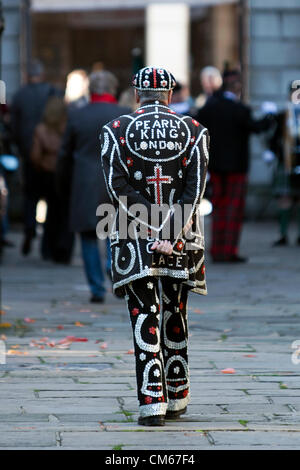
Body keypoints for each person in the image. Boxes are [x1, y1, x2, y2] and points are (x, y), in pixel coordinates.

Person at [100, 66, 209, 426]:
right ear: (171, 94)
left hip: (134, 236)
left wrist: (151, 226)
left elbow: (117, 188)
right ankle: (178, 397)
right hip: (182, 236)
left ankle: (153, 405)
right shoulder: (195, 132)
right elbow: (195, 190)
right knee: (176, 312)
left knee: (143, 314)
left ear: (136, 94)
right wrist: (171, 228)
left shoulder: (115, 130)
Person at [57, 71, 130, 302]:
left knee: (89, 237)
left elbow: (65, 154)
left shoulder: (77, 115)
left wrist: (64, 184)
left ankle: (97, 289)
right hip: (117, 183)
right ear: (113, 89)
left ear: (91, 90)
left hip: (85, 183)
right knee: (115, 233)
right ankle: (114, 269)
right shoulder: (125, 115)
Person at [196, 69, 273, 262]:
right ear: (237, 87)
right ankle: (228, 250)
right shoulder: (240, 110)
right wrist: (270, 115)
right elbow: (258, 127)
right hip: (236, 167)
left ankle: (216, 249)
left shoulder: (208, 108)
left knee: (219, 208)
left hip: (215, 166)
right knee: (233, 210)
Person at [10, 60, 61, 256]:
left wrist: (22, 147)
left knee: (30, 196)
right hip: (52, 157)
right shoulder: (53, 92)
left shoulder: (20, 96)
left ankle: (30, 227)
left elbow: (13, 127)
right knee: (51, 199)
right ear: (42, 74)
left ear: (26, 75)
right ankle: (47, 244)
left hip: (29, 155)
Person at [30, 96, 73, 262]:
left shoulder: (41, 129)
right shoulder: (67, 127)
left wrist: (41, 166)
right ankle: (63, 249)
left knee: (51, 212)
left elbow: (35, 155)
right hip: (65, 174)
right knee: (66, 212)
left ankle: (47, 249)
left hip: (47, 174)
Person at [268, 82, 300, 246]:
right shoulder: (283, 115)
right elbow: (274, 138)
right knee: (285, 198)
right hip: (286, 162)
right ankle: (283, 234)